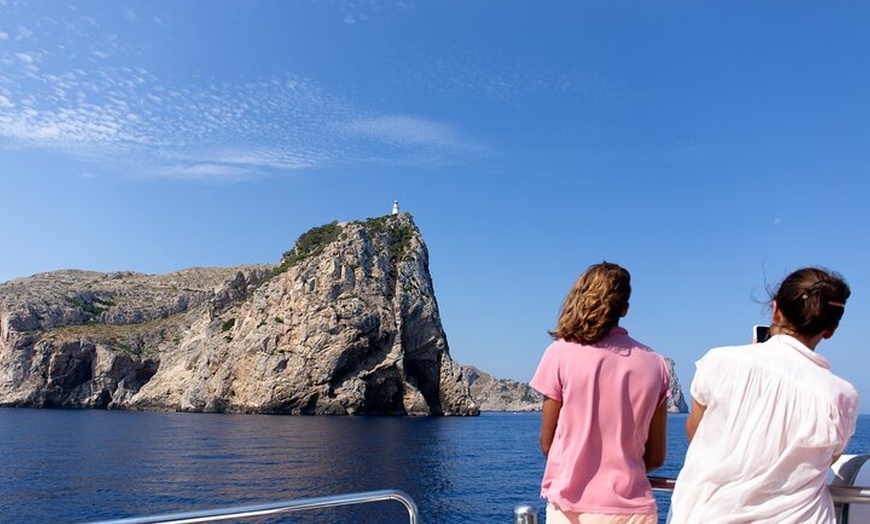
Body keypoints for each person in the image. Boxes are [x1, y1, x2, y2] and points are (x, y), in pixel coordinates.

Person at [668, 267, 859, 524]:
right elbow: (828, 459)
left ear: (776, 309)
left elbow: (696, 432)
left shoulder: (719, 362)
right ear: (831, 329)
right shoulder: (841, 396)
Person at [530, 262, 670, 524]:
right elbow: (655, 456)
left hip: (572, 510)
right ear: (625, 309)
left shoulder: (559, 353)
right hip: (634, 511)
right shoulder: (656, 364)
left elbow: (548, 442)